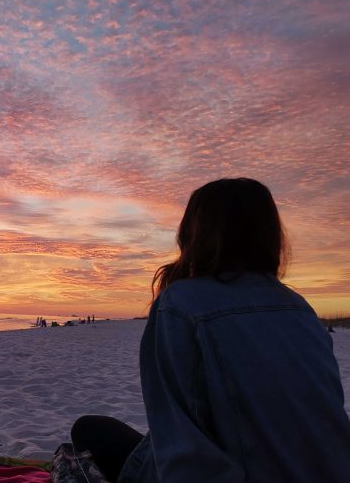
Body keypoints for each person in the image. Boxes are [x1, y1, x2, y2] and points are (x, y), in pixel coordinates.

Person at [71, 178, 350, 482]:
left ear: (193, 232)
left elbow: (184, 446)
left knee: (89, 430)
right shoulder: (299, 307)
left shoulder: (181, 303)